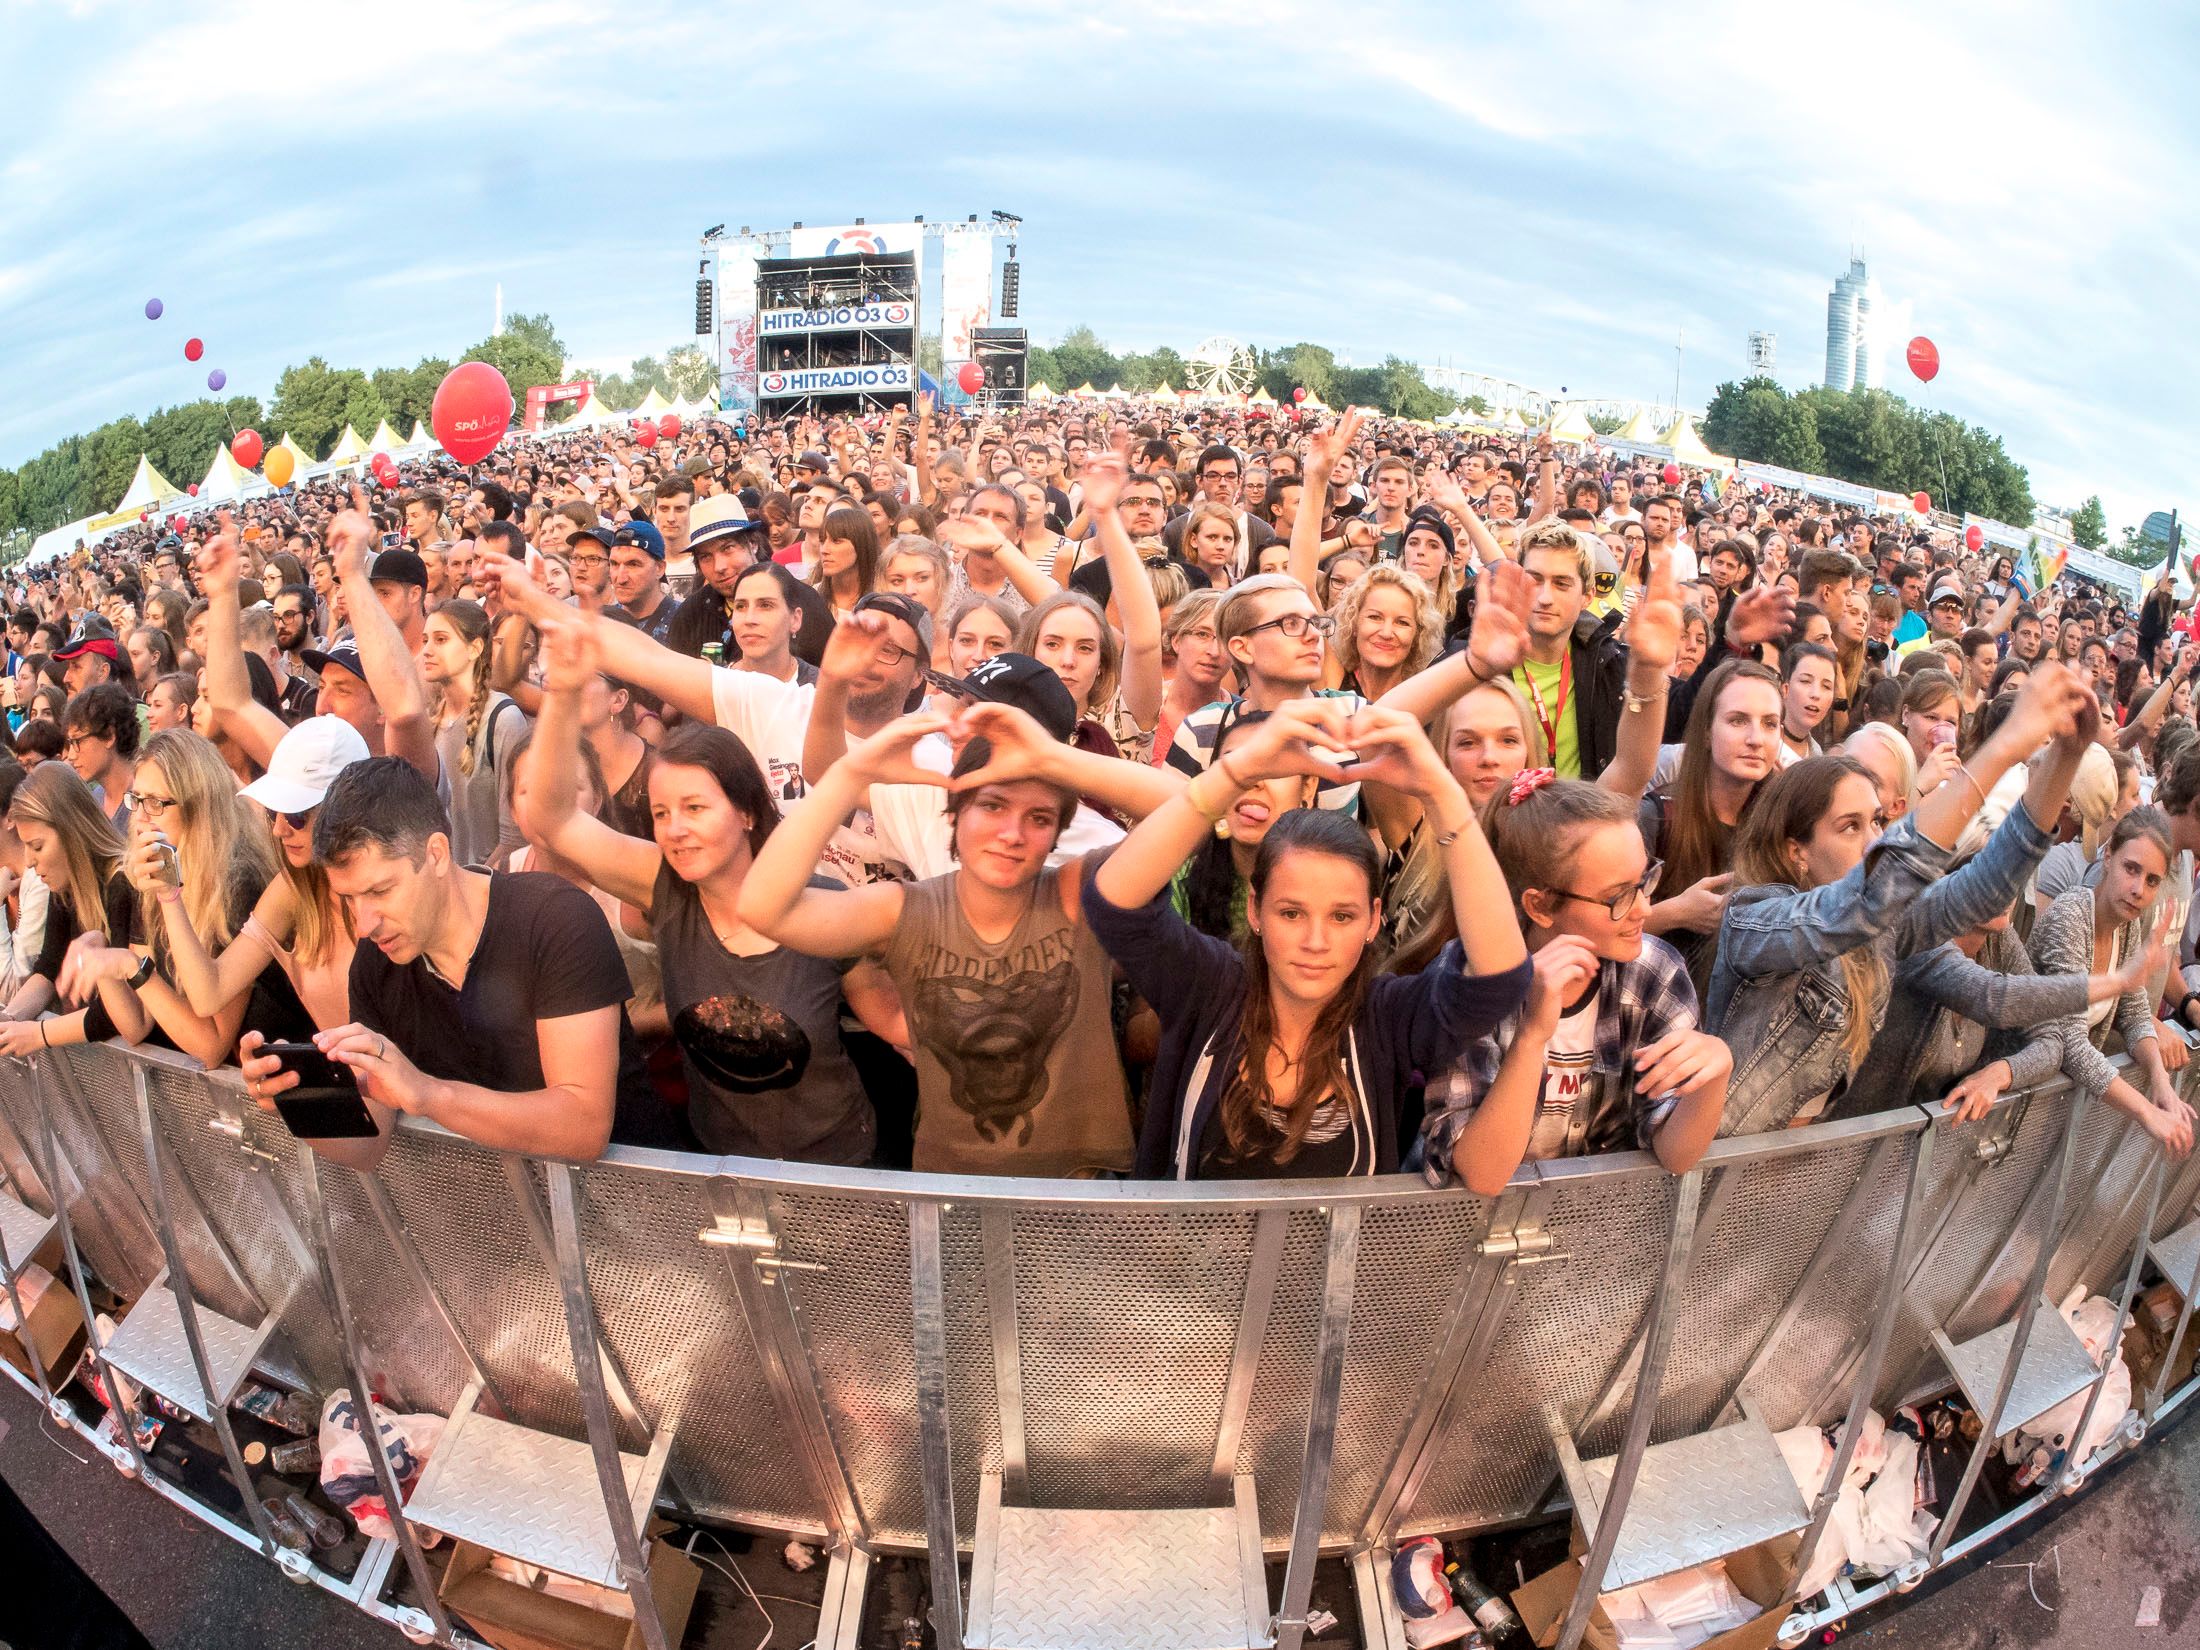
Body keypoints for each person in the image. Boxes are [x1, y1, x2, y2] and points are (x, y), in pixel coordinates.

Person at [1084, 700, 1530, 1177]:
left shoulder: (1386, 1019)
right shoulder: (1209, 988)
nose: (1315, 940)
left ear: (1374, 919)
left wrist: (1443, 794)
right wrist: (1240, 771)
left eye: (1342, 916)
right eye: (1292, 912)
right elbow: (1115, 902)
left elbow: (1498, 979)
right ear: (1256, 909)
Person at [737, 703, 1169, 1176]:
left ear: (1056, 834)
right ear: (956, 813)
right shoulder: (906, 911)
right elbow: (764, 907)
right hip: (954, 1191)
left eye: (1039, 818)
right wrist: (851, 772)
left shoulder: (1077, 895)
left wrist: (1052, 759)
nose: (1012, 834)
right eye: (992, 805)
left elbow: (1189, 809)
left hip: (1082, 1185)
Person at [517, 617, 887, 1164]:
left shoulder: (826, 905)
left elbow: (895, 1025)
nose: (675, 829)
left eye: (695, 808)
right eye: (662, 813)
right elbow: (551, 819)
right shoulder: (665, 887)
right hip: (719, 1167)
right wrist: (562, 696)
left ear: (744, 811)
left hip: (840, 1171)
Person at [1708, 663, 2096, 1135]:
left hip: (1796, 1172)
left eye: (1876, 822)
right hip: (1709, 1176)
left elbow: (1984, 889)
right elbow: (1860, 902)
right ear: (1797, 851)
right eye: (1850, 827)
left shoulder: (1882, 931)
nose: (1873, 840)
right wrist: (2004, 747)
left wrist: (2065, 758)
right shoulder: (1755, 918)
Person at [235, 756, 668, 1162]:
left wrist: (427, 1093)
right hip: (510, 1224)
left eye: (380, 891)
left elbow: (583, 1125)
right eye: (347, 898)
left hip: (640, 1212)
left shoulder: (554, 920)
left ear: (437, 854)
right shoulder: (374, 963)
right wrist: (297, 1101)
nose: (364, 924)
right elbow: (370, 1143)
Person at [1424, 776, 1730, 1194]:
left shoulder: (1652, 970)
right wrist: (1532, 1035)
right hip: (1460, 1230)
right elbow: (1481, 1174)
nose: (1644, 908)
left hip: (1587, 1224)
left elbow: (1676, 1154)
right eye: (1618, 896)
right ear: (1541, 906)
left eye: (1644, 882)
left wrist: (1713, 1075)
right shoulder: (1468, 978)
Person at [158, 716, 370, 1036]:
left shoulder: (391, 888)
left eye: (297, 814)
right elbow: (210, 994)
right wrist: (168, 894)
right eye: (274, 810)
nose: (279, 828)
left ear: (347, 807)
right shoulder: (293, 888)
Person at [2025, 809, 2195, 1156]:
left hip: (2048, 1105)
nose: (2138, 890)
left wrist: (2162, 1084)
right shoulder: (2071, 915)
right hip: (2012, 1087)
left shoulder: (2129, 924)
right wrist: (2146, 1111)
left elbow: (2134, 1015)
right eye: (2131, 869)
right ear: (2107, 857)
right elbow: (2069, 1041)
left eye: (2151, 881)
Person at [419, 599, 526, 868]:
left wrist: (474, 882)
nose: (427, 651)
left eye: (441, 640)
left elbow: (516, 835)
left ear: (475, 648)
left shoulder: (503, 718)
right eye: (425, 641)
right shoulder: (428, 719)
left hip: (489, 886)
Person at [62, 682, 139, 829]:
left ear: (109, 736)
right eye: (70, 743)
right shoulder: (94, 801)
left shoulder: (144, 803)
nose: (71, 755)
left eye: (78, 741)